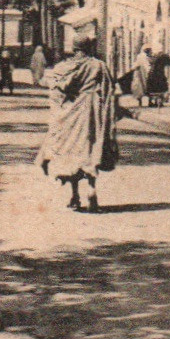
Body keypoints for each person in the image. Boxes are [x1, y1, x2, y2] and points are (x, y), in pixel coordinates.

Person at [36, 35, 119, 212]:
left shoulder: (63, 67)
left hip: (70, 115)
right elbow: (109, 91)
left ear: (73, 49)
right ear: (89, 48)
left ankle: (74, 195)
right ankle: (92, 191)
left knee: (71, 152)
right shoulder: (99, 66)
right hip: (91, 113)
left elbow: (55, 92)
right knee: (90, 151)